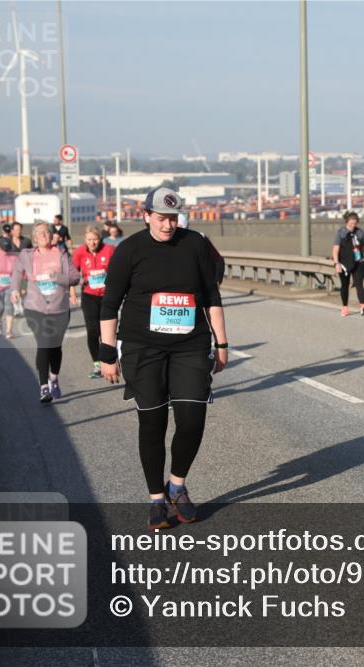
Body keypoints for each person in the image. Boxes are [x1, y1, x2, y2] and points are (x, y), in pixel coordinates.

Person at [99, 187, 229, 530]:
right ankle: (156, 499)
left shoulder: (195, 244)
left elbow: (211, 295)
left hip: (189, 346)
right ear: (146, 216)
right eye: (161, 218)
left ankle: (177, 484)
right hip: (144, 348)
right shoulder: (129, 250)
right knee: (152, 424)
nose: (168, 225)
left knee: (192, 419)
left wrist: (222, 343)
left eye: (173, 218)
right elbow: (110, 304)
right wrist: (107, 353)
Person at [11, 223, 80, 403]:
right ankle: (43, 387)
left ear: (52, 236)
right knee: (43, 343)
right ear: (34, 237)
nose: (44, 235)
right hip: (35, 307)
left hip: (59, 308)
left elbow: (75, 277)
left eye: (47, 232)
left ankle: (54, 378)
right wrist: (15, 289)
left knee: (55, 346)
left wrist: (56, 277)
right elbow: (17, 272)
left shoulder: (62, 254)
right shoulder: (27, 255)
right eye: (40, 233)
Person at [72, 226, 116, 379]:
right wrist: (72, 293)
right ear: (85, 240)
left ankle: (109, 361)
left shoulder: (109, 250)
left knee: (107, 332)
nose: (92, 242)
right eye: (89, 240)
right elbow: (73, 274)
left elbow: (119, 270)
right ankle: (97, 364)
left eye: (95, 239)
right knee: (93, 331)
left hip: (107, 296)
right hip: (89, 296)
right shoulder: (80, 252)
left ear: (100, 239)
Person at [332, 211, 364, 317]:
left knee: (359, 284)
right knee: (345, 285)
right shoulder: (341, 233)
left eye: (355, 223)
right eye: (351, 223)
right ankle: (345, 307)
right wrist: (336, 263)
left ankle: (362, 305)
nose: (353, 226)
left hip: (358, 262)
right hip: (344, 263)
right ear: (346, 222)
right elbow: (335, 249)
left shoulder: (360, 232)